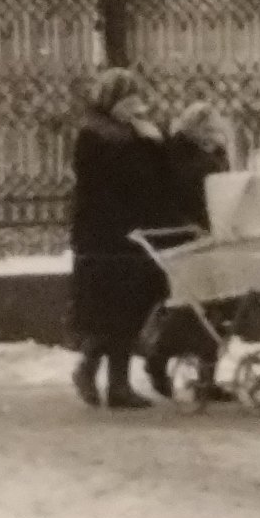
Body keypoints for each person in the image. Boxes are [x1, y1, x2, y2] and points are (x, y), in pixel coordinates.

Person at [68, 67, 166, 411]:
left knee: (129, 307)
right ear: (111, 100)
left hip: (133, 233)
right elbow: (101, 187)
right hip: (103, 235)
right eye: (127, 99)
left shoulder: (132, 133)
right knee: (108, 309)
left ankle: (117, 384)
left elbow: (152, 176)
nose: (134, 105)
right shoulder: (94, 135)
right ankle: (91, 370)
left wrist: (150, 139)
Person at [142, 104, 231, 400]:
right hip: (184, 236)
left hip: (213, 234)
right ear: (193, 126)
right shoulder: (175, 153)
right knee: (190, 306)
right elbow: (166, 196)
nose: (213, 132)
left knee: (218, 305)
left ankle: (207, 377)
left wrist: (218, 153)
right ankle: (157, 359)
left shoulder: (211, 152)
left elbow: (222, 187)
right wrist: (185, 224)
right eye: (207, 127)